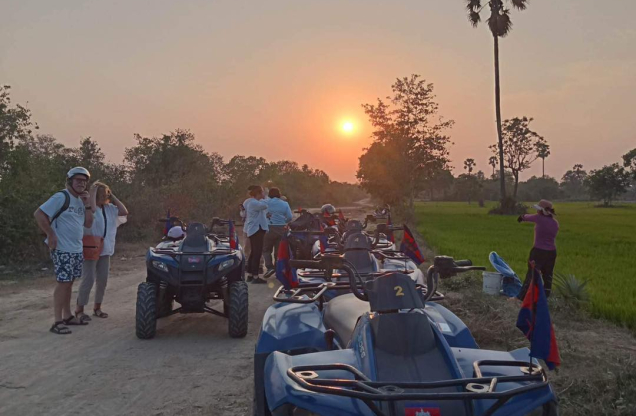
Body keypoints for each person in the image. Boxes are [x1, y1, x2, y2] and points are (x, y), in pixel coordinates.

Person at [34, 167, 95, 335]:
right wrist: (50, 234)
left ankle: (67, 316)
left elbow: (89, 223)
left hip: (76, 249)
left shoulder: (80, 201)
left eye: (84, 181)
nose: (81, 183)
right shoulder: (61, 197)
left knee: (69, 282)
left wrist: (88, 204)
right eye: (78, 180)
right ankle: (57, 321)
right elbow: (39, 213)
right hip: (62, 248)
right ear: (70, 181)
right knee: (63, 283)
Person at [75, 182, 128, 321]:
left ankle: (97, 308)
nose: (104, 196)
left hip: (105, 249)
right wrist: (92, 192)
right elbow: (92, 209)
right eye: (102, 193)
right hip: (91, 248)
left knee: (102, 280)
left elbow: (124, 212)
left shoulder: (110, 208)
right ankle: (79, 309)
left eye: (106, 193)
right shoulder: (88, 207)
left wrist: (113, 196)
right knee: (89, 279)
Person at [517, 199, 559, 300]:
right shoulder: (555, 223)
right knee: (548, 276)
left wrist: (521, 218)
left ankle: (520, 298)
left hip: (538, 252)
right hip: (552, 252)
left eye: (538, 209)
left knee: (531, 275)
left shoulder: (539, 218)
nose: (536, 211)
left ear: (541, 211)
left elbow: (526, 217)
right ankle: (545, 299)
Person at [262, 187, 293, 278]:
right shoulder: (284, 204)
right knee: (278, 251)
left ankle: (269, 267)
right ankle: (278, 269)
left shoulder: (265, 203)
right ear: (279, 194)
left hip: (268, 228)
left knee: (266, 249)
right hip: (281, 228)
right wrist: (283, 221)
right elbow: (290, 217)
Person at [244, 185, 269, 283]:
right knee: (257, 253)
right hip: (256, 230)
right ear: (258, 193)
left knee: (253, 253)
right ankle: (255, 276)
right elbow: (266, 205)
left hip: (255, 229)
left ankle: (250, 274)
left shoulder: (252, 202)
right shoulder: (254, 203)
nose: (263, 194)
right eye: (261, 192)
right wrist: (266, 196)